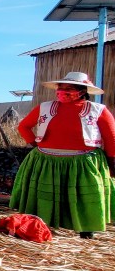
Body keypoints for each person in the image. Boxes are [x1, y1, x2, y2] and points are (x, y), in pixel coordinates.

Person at [10, 72, 115, 239]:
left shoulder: (97, 110)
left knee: (82, 195)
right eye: (60, 88)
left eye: (69, 88)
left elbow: (111, 137)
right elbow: (24, 126)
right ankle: (39, 224)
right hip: (46, 160)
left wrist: (112, 161)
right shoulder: (45, 108)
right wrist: (35, 144)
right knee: (45, 195)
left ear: (82, 91)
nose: (62, 92)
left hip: (83, 162)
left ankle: (87, 228)